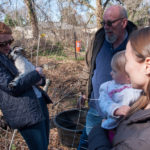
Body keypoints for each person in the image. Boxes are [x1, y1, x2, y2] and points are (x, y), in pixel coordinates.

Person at [77, 5, 137, 150]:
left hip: (123, 115)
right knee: (89, 144)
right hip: (95, 108)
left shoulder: (136, 44)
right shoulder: (98, 39)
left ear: (123, 23)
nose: (106, 27)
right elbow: (89, 67)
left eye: (110, 23)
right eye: (103, 23)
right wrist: (82, 91)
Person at [88, 27, 150, 150]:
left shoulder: (142, 141)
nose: (125, 68)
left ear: (147, 66)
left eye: (127, 60)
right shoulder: (143, 100)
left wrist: (96, 132)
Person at [0, 22, 52, 150]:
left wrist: (40, 80)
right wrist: (35, 75)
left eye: (10, 41)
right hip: (24, 112)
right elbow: (12, 87)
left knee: (44, 146)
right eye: (2, 44)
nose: (8, 46)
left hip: (39, 102)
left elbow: (30, 70)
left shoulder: (11, 53)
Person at [98, 51, 141, 131]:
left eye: (114, 71)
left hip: (131, 128)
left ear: (128, 76)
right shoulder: (108, 86)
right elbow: (103, 101)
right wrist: (115, 109)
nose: (111, 73)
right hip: (112, 126)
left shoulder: (138, 88)